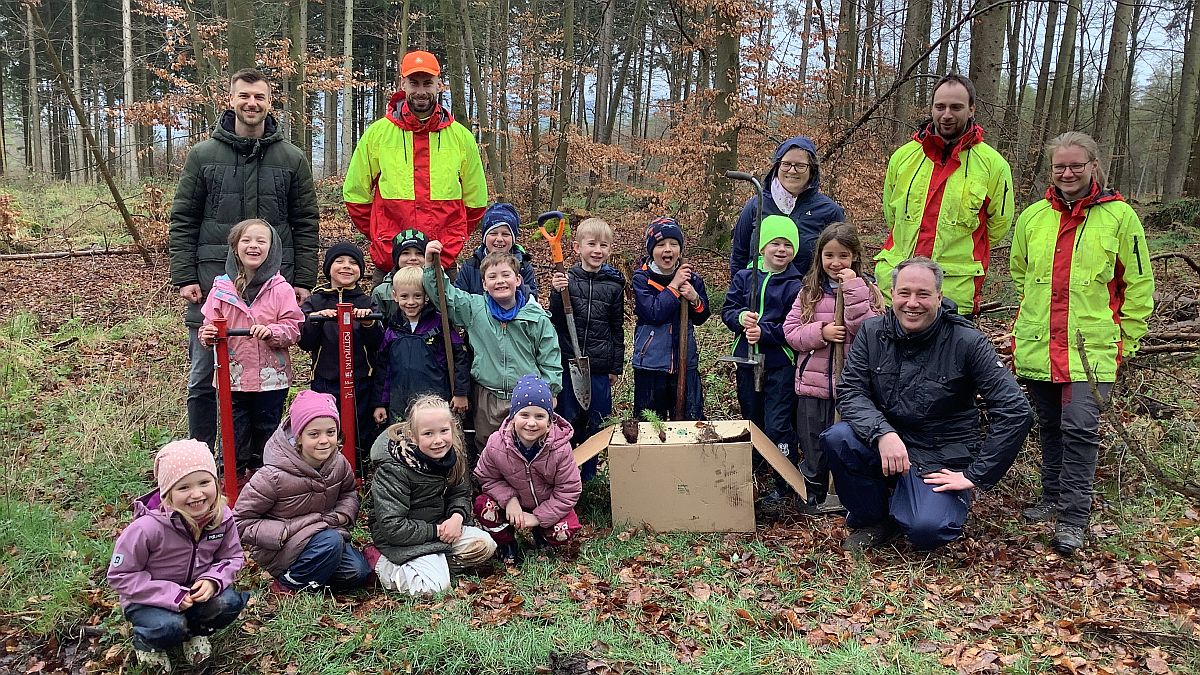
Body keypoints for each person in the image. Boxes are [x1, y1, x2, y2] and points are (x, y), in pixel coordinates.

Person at [822, 257, 1032, 551]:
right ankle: (873, 519)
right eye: (904, 293)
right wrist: (882, 433)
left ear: (939, 297)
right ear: (891, 294)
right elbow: (851, 390)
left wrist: (975, 475)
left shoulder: (967, 341)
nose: (912, 303)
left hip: (940, 454)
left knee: (927, 531)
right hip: (887, 443)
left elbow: (1016, 411)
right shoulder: (872, 333)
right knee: (838, 438)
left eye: (923, 294)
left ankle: (915, 506)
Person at [1010, 131, 1155, 555]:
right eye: (1060, 166)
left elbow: (1139, 284)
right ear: (1051, 170)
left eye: (1076, 165)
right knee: (1051, 427)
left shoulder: (1120, 218)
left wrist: (1126, 338)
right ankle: (1052, 496)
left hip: (1091, 350)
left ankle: (1073, 518)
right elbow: (1020, 272)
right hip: (1039, 345)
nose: (1068, 173)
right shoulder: (1033, 217)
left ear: (1094, 166)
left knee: (1080, 430)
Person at [170, 68, 319, 451]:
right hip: (212, 285)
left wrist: (302, 280)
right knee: (204, 376)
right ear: (231, 99)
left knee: (267, 379)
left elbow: (305, 222)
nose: (251, 103)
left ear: (270, 103)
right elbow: (185, 217)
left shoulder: (292, 159)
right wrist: (186, 275)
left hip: (272, 289)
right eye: (244, 96)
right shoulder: (204, 155)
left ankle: (261, 458)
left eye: (259, 97)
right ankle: (202, 456)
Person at [876, 74, 1014, 316]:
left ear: (971, 109)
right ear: (932, 108)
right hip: (897, 292)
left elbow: (998, 225)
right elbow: (891, 214)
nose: (947, 114)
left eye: (956, 107)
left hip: (954, 297)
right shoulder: (904, 157)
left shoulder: (993, 165)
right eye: (940, 107)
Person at [343, 50, 488, 279]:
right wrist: (380, 235)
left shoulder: (461, 137)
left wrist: (452, 240)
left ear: (439, 85)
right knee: (386, 315)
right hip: (390, 260)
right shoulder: (378, 134)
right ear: (403, 84)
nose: (421, 91)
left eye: (427, 83)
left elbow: (476, 200)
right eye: (414, 83)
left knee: (444, 317)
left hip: (441, 259)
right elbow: (355, 194)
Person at [107, 440, 248, 671]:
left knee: (229, 602)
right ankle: (147, 642)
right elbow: (121, 576)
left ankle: (194, 633)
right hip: (149, 599)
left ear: (215, 483)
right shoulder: (146, 529)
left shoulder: (222, 518)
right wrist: (171, 594)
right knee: (169, 626)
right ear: (167, 494)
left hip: (194, 593)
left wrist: (213, 581)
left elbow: (231, 557)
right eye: (183, 488)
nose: (197, 494)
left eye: (204, 482)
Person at [422, 239, 562, 456]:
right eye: (492, 277)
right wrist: (432, 267)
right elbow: (445, 296)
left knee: (526, 446)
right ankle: (490, 488)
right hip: (488, 394)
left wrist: (550, 389)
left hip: (527, 396)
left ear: (517, 279)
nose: (500, 281)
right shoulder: (475, 308)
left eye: (506, 275)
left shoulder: (535, 316)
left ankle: (524, 488)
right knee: (488, 446)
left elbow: (550, 355)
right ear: (484, 284)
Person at [782, 223, 884, 513]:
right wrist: (821, 332)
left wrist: (852, 290)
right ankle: (813, 490)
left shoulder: (868, 291)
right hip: (812, 385)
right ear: (819, 257)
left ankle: (845, 492)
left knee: (847, 439)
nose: (836, 262)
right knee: (812, 439)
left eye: (843, 255)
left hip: (852, 386)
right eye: (829, 255)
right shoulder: (808, 292)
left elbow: (870, 331)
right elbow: (791, 332)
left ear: (855, 257)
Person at [233, 390, 372, 594]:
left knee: (358, 572)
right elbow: (240, 521)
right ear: (298, 436)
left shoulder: (339, 463)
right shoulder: (272, 476)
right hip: (282, 548)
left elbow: (348, 492)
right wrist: (283, 532)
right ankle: (287, 584)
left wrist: (342, 515)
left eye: (330, 432)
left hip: (323, 539)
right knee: (332, 542)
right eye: (314, 434)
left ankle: (311, 578)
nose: (324, 440)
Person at [198, 220, 303, 476]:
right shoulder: (221, 288)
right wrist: (209, 334)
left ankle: (267, 479)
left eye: (260, 241)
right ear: (235, 247)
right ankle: (232, 482)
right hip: (231, 377)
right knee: (234, 431)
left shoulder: (280, 289)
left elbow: (294, 326)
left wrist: (272, 332)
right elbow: (207, 327)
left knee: (267, 429)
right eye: (246, 240)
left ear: (272, 248)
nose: (253, 246)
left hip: (271, 379)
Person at [365, 395, 497, 595]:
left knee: (485, 545)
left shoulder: (454, 454)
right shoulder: (393, 468)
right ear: (413, 435)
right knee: (433, 588)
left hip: (441, 529)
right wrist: (437, 531)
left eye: (444, 431)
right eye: (428, 434)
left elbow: (460, 493)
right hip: (406, 538)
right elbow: (393, 527)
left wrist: (457, 517)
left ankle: (435, 566)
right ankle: (380, 563)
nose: (438, 440)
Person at [721, 215, 805, 506]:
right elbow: (729, 310)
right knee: (751, 418)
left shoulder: (795, 286)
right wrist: (741, 318)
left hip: (778, 364)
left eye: (787, 245)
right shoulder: (745, 277)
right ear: (762, 248)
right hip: (746, 360)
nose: (781, 250)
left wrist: (765, 332)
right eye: (775, 243)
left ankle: (786, 480)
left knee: (777, 423)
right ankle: (753, 472)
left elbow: (792, 326)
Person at [473, 375, 582, 564]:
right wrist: (509, 500)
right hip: (513, 505)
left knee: (566, 529)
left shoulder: (561, 449)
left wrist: (538, 518)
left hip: (546, 505)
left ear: (550, 421)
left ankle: (542, 535)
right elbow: (486, 477)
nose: (531, 423)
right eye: (524, 415)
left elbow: (569, 490)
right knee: (484, 507)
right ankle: (506, 543)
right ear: (513, 417)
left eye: (539, 416)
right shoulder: (495, 444)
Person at [548, 217, 626, 481]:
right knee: (569, 418)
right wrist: (558, 293)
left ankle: (590, 475)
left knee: (597, 419)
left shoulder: (614, 285)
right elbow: (556, 321)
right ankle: (568, 473)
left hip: (599, 365)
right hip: (570, 363)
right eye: (591, 244)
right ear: (577, 247)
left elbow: (617, 328)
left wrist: (616, 366)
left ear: (610, 250)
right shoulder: (567, 280)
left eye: (603, 245)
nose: (597, 250)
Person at [298, 242, 383, 465]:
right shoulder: (315, 300)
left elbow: (378, 343)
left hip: (360, 379)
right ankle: (329, 468)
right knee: (327, 424)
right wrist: (317, 319)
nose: (347, 267)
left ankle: (358, 471)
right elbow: (305, 342)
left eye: (353, 263)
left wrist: (367, 323)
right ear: (328, 268)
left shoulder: (367, 301)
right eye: (340, 261)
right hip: (326, 379)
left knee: (359, 425)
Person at [729, 136, 845, 278]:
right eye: (786, 164)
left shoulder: (829, 210)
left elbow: (842, 257)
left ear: (812, 170)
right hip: (759, 297)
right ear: (777, 166)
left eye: (800, 166)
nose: (792, 170)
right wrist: (740, 293)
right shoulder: (757, 205)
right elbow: (739, 256)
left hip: (808, 297)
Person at [632, 217, 711, 421]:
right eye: (660, 245)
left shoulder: (692, 279)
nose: (668, 249)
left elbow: (702, 316)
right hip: (651, 365)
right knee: (649, 423)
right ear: (651, 250)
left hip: (685, 362)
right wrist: (674, 287)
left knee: (689, 420)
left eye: (673, 244)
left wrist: (694, 298)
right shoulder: (642, 279)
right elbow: (653, 312)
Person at [372, 266, 472, 424]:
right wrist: (380, 403)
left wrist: (461, 392)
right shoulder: (392, 329)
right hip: (400, 401)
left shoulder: (440, 325)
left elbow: (460, 357)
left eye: (417, 296)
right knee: (401, 440)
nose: (411, 302)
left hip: (435, 398)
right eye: (404, 296)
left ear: (426, 296)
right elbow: (384, 369)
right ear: (395, 296)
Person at [455, 203, 539, 297]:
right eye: (493, 233)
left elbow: (532, 302)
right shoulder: (470, 267)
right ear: (485, 237)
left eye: (505, 234)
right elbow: (459, 302)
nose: (499, 239)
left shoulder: (523, 267)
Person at [373, 228, 431, 320]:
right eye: (406, 253)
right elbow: (375, 326)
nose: (413, 258)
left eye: (419, 253)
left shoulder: (436, 288)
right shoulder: (382, 292)